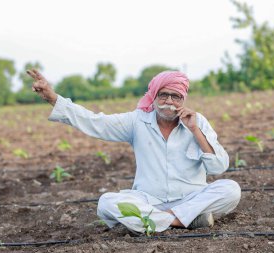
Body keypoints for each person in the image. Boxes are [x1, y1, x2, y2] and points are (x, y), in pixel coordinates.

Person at [27, 69, 241, 233]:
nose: (169, 101)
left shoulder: (197, 122)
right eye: (163, 95)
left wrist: (195, 131)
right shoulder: (137, 121)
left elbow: (219, 166)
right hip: (149, 199)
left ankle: (155, 221)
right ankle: (184, 220)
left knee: (231, 189)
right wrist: (53, 98)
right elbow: (96, 122)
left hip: (192, 197)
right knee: (106, 203)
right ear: (154, 97)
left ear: (183, 100)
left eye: (175, 97)